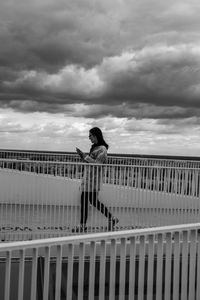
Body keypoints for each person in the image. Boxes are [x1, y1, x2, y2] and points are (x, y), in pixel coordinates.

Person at [75, 127, 119, 232]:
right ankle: (111, 218)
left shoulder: (102, 149)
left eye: (90, 135)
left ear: (96, 135)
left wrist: (85, 157)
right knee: (93, 201)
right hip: (88, 179)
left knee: (86, 201)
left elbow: (97, 164)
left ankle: (82, 225)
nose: (89, 137)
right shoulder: (95, 148)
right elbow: (91, 162)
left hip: (93, 180)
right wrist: (83, 157)